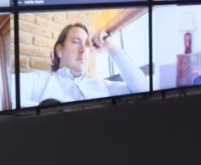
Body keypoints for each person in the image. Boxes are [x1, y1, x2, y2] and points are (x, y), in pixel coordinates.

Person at [18, 23, 149, 107]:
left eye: (86, 45)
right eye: (76, 42)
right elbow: (6, 97)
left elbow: (142, 91)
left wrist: (112, 49)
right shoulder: (39, 82)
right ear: (60, 50)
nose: (83, 49)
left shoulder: (103, 85)